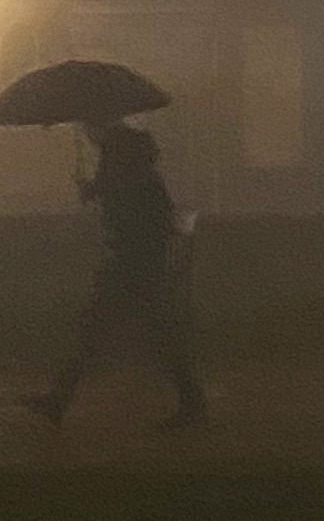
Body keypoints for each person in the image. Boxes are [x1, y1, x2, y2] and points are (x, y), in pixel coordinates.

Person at [29, 118, 205, 429]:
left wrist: (91, 190)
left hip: (130, 263)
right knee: (156, 334)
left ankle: (58, 399)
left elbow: (121, 206)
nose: (87, 134)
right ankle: (192, 401)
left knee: (95, 331)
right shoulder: (133, 163)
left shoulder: (118, 163)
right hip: (141, 263)